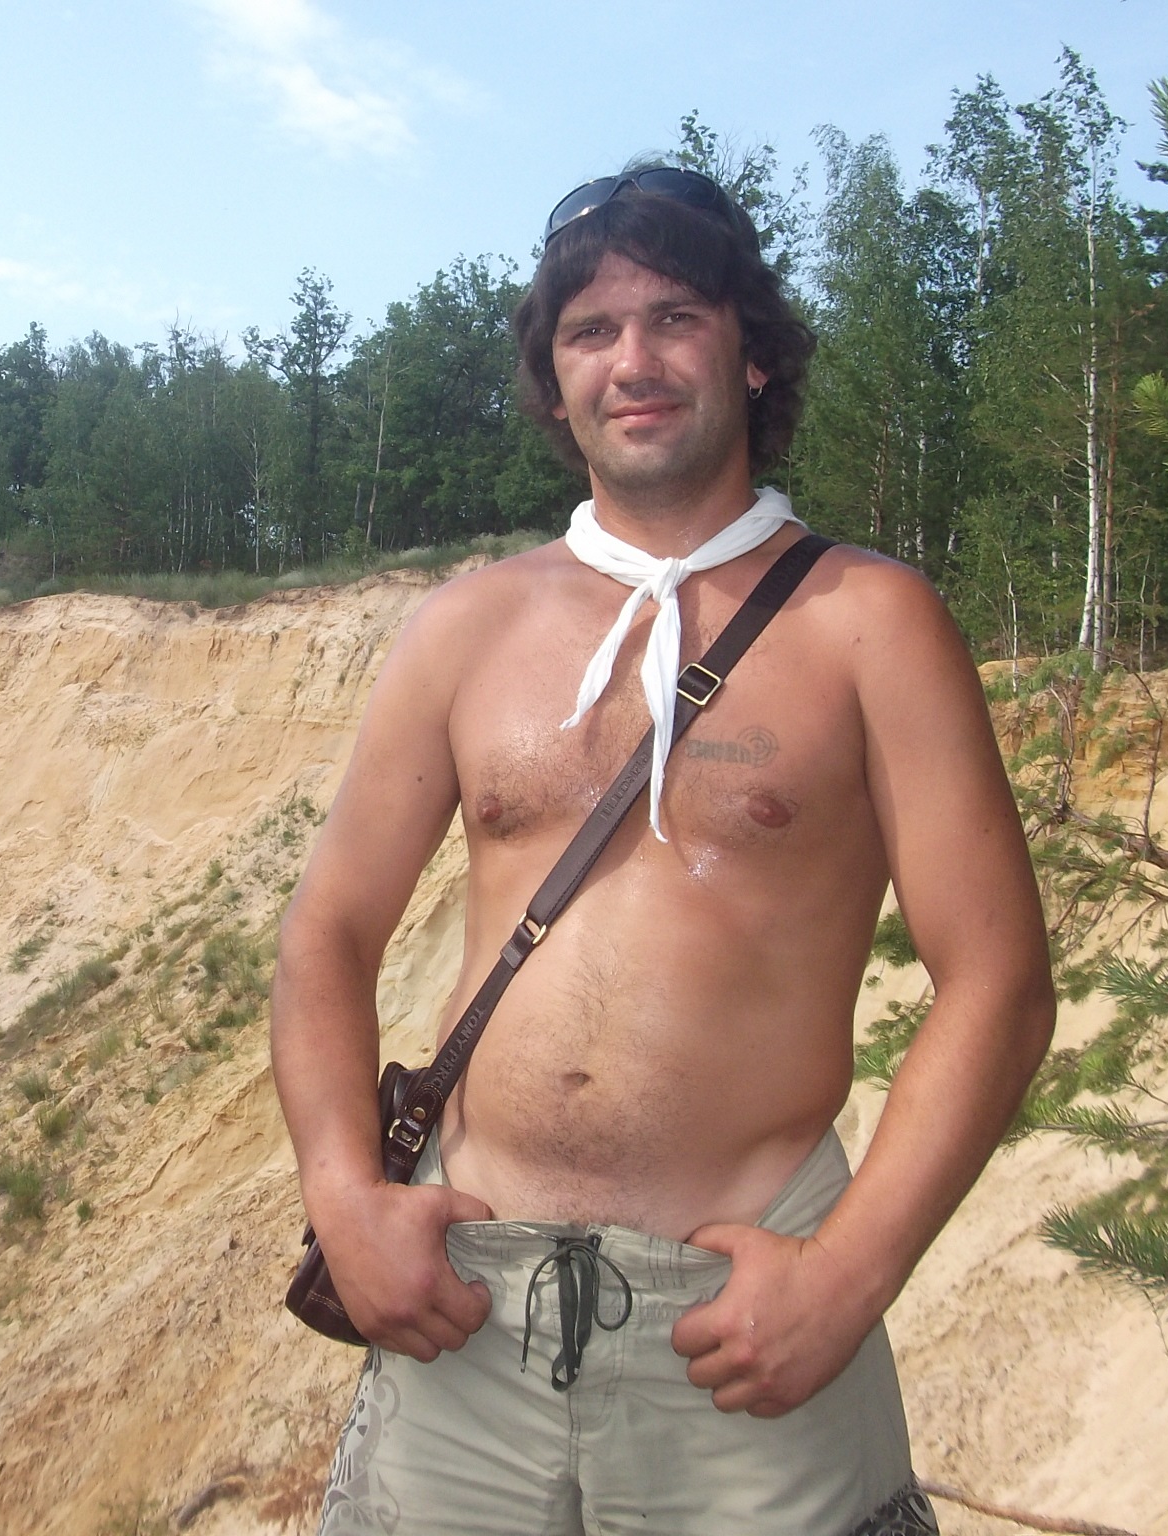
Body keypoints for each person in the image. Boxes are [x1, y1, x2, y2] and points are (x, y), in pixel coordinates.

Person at [269, 164, 1056, 1536]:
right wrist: (344, 1197)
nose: (632, 361)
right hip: (466, 1313)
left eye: (676, 317)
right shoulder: (466, 629)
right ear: (554, 381)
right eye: (590, 331)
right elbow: (327, 932)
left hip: (743, 1333)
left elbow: (1000, 981)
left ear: (751, 353)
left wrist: (846, 1279)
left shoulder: (872, 624)